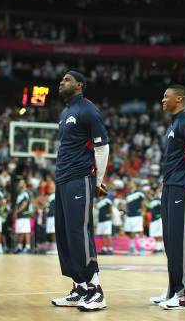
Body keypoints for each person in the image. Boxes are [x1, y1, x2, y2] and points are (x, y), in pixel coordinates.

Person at [50, 71, 109, 312]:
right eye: (61, 79)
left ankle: (96, 290)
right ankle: (80, 286)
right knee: (64, 234)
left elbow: (102, 147)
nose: (61, 82)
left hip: (80, 178)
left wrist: (98, 182)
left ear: (79, 85)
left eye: (66, 79)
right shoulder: (64, 113)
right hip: (62, 179)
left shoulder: (88, 110)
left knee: (79, 233)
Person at [150, 84, 185, 310]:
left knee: (181, 243)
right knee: (171, 243)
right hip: (170, 186)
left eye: (166, 96)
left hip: (184, 187)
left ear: (179, 99)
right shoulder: (174, 123)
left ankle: (184, 295)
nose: (162, 100)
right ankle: (174, 289)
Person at [123, 180, 146, 255]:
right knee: (131, 231)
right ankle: (132, 248)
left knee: (139, 230)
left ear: (135, 184)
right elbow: (127, 205)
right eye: (129, 182)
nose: (130, 183)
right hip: (129, 215)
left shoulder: (139, 192)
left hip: (137, 214)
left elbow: (143, 203)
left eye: (131, 182)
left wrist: (143, 211)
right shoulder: (127, 194)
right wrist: (125, 213)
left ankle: (142, 247)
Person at [13, 179, 32, 254]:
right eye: (19, 182)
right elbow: (18, 204)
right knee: (21, 231)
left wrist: (16, 212)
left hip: (24, 214)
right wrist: (16, 212)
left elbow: (25, 204)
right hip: (20, 215)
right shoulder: (20, 193)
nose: (19, 183)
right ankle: (20, 246)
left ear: (25, 184)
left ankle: (28, 247)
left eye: (21, 182)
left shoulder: (26, 192)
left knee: (26, 231)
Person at [147, 187, 164, 255]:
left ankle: (160, 248)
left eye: (150, 191)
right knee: (155, 235)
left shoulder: (158, 199)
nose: (149, 193)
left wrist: (160, 216)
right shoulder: (151, 201)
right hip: (153, 219)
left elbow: (162, 208)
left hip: (158, 218)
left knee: (159, 234)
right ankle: (157, 248)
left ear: (153, 192)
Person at [45, 181, 57, 255]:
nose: (50, 187)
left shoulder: (56, 194)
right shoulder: (50, 195)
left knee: (53, 231)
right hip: (50, 215)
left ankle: (56, 249)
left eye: (51, 186)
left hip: (53, 215)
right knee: (51, 232)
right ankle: (54, 248)